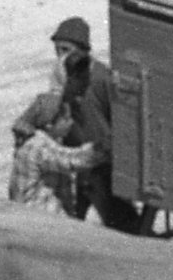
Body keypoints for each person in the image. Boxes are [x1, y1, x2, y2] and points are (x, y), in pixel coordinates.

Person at [7, 15, 116, 218]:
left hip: (99, 165)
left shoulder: (102, 79)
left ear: (83, 51)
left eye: (66, 50)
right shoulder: (63, 76)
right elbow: (45, 109)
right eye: (57, 50)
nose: (60, 57)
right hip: (72, 160)